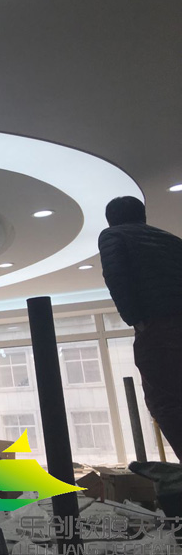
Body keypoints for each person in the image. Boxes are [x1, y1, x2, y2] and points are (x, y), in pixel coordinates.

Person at [98, 196, 182, 460]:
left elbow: (116, 277)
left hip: (158, 327)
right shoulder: (171, 239)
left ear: (110, 219)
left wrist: (136, 320)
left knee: (164, 401)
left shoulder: (113, 236)